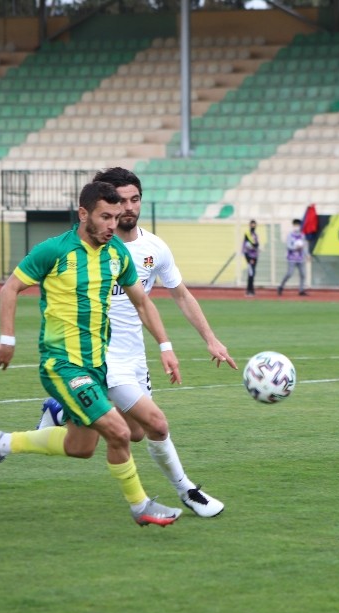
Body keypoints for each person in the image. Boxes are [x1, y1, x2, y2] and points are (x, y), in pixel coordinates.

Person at [0, 180, 184, 527]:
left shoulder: (116, 254)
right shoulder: (54, 251)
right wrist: (7, 340)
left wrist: (166, 346)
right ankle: (141, 506)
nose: (112, 226)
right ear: (83, 213)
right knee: (119, 432)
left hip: (96, 365)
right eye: (105, 217)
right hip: (62, 364)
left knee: (80, 447)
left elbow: (142, 303)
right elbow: (10, 288)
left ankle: (2, 443)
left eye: (116, 218)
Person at [37, 167, 236, 518]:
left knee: (136, 434)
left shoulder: (154, 248)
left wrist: (211, 339)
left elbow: (180, 295)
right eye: (120, 202)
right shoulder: (88, 249)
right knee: (158, 424)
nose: (128, 208)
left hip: (134, 356)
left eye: (135, 200)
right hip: (100, 355)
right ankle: (188, 491)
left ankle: (60, 409)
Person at [277, 218, 308, 296]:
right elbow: (288, 246)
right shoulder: (290, 235)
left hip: (300, 258)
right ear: (293, 226)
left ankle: (301, 290)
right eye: (295, 225)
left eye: (298, 225)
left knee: (303, 274)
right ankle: (281, 286)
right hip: (292, 258)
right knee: (289, 273)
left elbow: (304, 246)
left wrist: (307, 255)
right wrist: (295, 248)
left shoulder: (302, 235)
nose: (297, 227)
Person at [242, 219, 260, 297]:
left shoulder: (255, 235)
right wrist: (248, 258)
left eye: (254, 224)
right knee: (251, 273)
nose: (253, 226)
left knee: (252, 273)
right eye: (252, 224)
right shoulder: (247, 234)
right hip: (249, 257)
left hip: (254, 256)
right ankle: (249, 290)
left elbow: (257, 245)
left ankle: (251, 290)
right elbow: (246, 246)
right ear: (250, 225)